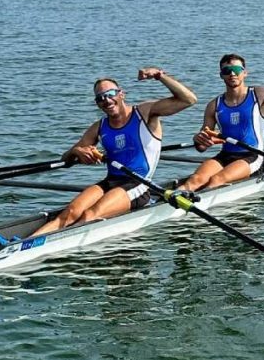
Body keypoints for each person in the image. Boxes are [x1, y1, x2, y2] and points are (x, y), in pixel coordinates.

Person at [29, 68, 197, 237]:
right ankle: (27, 243)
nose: (107, 100)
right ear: (97, 103)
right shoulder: (99, 127)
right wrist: (77, 151)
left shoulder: (145, 112)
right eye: (101, 98)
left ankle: (59, 242)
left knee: (90, 215)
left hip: (138, 184)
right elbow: (66, 159)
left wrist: (160, 76)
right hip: (110, 181)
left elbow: (189, 99)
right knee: (68, 214)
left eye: (110, 94)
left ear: (121, 94)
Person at [179, 54, 264, 192]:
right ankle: (172, 200)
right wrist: (198, 139)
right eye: (227, 71)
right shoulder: (214, 105)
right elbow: (201, 147)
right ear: (221, 75)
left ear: (245, 73)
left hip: (252, 156)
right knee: (195, 180)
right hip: (224, 155)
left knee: (216, 180)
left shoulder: (260, 95)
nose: (232, 74)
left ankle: (200, 204)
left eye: (237, 69)